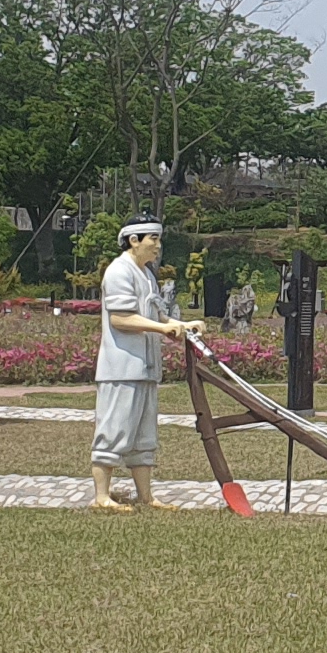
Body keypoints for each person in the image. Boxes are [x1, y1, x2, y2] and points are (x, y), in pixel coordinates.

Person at [91, 218, 197, 511]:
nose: (158, 246)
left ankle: (146, 495)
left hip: (146, 368)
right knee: (114, 429)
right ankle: (101, 495)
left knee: (143, 434)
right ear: (134, 240)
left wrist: (182, 325)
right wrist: (162, 330)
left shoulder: (147, 275)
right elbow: (121, 318)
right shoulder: (118, 271)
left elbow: (159, 316)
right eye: (153, 239)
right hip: (120, 367)